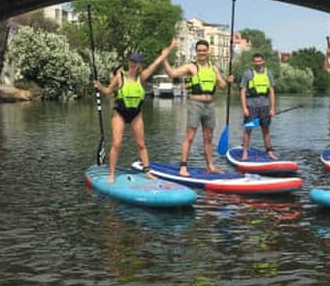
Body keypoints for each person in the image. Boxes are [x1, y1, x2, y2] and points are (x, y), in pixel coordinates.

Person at [93, 40, 177, 183]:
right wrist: (99, 86)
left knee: (141, 144)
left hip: (135, 115)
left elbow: (156, 63)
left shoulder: (142, 77)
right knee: (117, 143)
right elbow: (108, 91)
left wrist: (170, 47)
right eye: (132, 61)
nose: (133, 64)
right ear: (129, 62)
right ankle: (112, 174)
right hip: (119, 113)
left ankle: (147, 171)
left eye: (136, 62)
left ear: (139, 65)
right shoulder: (120, 77)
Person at [164, 39, 230, 176]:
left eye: (204, 50)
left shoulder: (214, 68)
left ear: (208, 51)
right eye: (199, 50)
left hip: (210, 105)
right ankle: (183, 167)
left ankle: (211, 166)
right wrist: (164, 58)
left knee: (209, 138)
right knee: (190, 136)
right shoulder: (191, 67)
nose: (202, 53)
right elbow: (172, 74)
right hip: (195, 104)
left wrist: (227, 81)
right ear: (196, 52)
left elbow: (223, 87)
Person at [239, 52, 276, 160]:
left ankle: (269, 152)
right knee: (248, 129)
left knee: (266, 129)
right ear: (252, 62)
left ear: (263, 61)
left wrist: (272, 108)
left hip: (265, 106)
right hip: (251, 106)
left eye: (259, 61)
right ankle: (244, 151)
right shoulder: (248, 74)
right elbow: (242, 91)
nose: (257, 63)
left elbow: (272, 92)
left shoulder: (268, 74)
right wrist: (244, 108)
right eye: (255, 61)